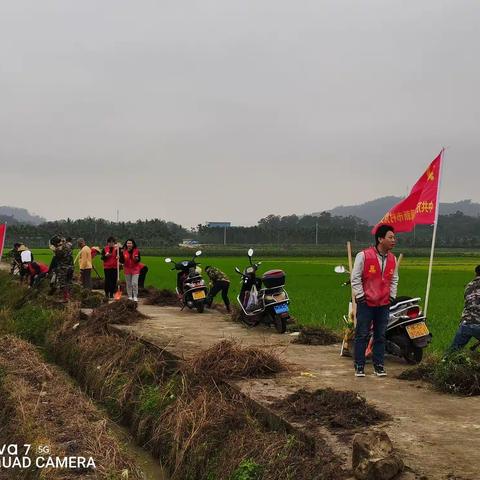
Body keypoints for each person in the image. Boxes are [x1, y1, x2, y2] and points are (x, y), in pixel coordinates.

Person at [351, 224, 398, 377]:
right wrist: (360, 296)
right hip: (366, 303)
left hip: (383, 303)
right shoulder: (364, 255)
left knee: (380, 335)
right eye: (390, 237)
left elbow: (394, 279)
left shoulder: (393, 258)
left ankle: (379, 365)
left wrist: (392, 296)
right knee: (362, 334)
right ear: (380, 239)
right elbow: (355, 277)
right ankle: (359, 365)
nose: (393, 240)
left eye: (394, 237)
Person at [447, 265, 480, 352]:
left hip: (466, 323)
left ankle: (444, 361)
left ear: (475, 274)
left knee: (452, 353)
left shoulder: (469, 286)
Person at [50, 235, 74, 301]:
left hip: (63, 268)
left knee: (63, 283)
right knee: (69, 282)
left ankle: (65, 298)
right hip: (71, 267)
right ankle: (70, 297)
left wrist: (54, 251)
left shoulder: (59, 249)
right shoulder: (68, 246)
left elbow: (57, 258)